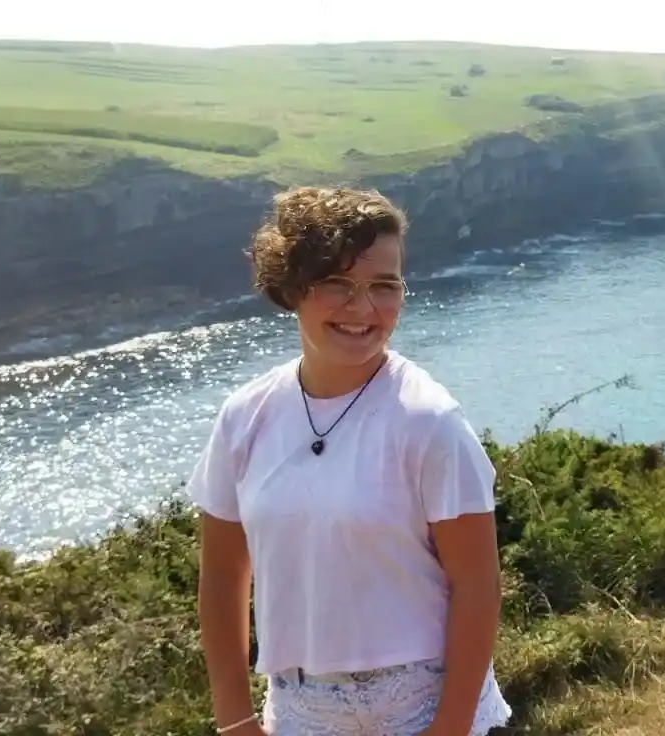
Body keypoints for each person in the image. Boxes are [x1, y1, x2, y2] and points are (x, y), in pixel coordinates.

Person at [189, 186, 512, 735]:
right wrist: (234, 719)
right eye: (338, 284)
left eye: (384, 286)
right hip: (298, 714)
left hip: (424, 712)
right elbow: (222, 576)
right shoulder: (245, 417)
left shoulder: (429, 420)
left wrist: (450, 728)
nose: (363, 309)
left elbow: (477, 584)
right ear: (293, 287)